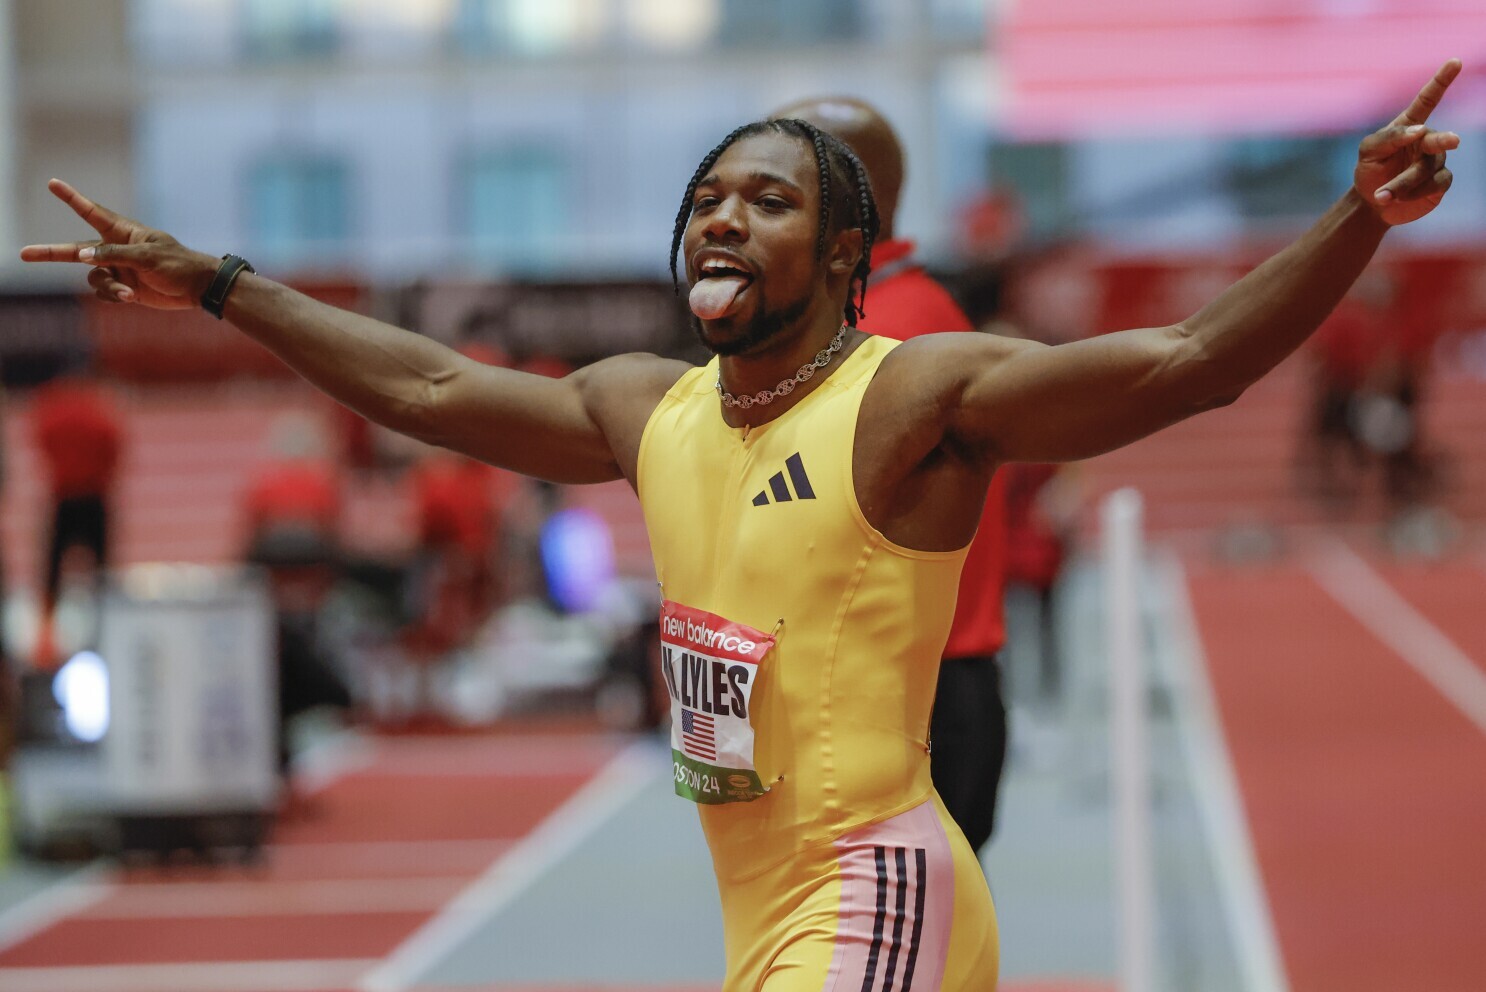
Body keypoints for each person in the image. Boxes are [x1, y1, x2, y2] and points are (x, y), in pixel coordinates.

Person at [20, 61, 1461, 992]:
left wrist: (1354, 219)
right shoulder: (648, 406)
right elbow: (433, 385)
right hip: (755, 910)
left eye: (767, 201)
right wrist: (224, 288)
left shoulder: (912, 396)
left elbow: (1187, 363)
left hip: (872, 887)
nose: (720, 219)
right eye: (706, 197)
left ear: (845, 255)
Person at [770, 96, 1011, 853]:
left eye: (770, 195)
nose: (740, 219)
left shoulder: (881, 338)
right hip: (923, 691)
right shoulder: (900, 312)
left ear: (837, 204)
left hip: (903, 705)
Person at [29, 365, 125, 666]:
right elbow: (114, 444)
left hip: (64, 499)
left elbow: (42, 439)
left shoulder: (54, 410)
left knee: (52, 571)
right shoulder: (98, 411)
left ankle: (45, 639)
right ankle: (106, 629)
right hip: (94, 498)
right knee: (101, 572)